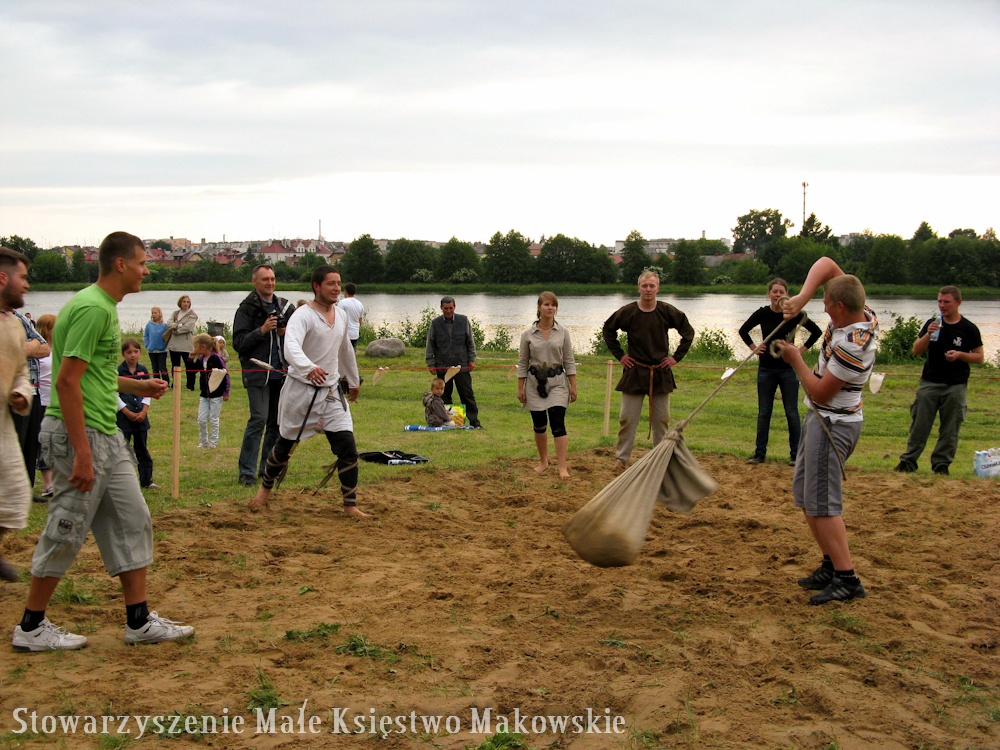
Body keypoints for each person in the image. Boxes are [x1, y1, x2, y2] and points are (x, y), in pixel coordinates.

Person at [12, 231, 194, 651]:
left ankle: (139, 621)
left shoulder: (103, 306)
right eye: (143, 263)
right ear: (120, 264)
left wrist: (137, 386)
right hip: (81, 434)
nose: (146, 271)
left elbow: (91, 375)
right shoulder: (93, 308)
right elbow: (66, 382)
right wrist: (81, 452)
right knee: (67, 525)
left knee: (133, 519)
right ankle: (31, 627)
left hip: (106, 434)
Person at [775, 257, 878, 605]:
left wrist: (796, 359)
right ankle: (831, 565)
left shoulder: (853, 345)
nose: (823, 308)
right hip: (822, 420)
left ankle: (847, 579)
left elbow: (820, 392)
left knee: (823, 503)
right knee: (808, 498)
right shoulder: (862, 312)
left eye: (826, 304)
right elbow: (827, 265)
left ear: (841, 307)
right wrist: (801, 297)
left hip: (833, 423)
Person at [248, 266, 367, 517]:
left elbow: (345, 349)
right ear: (316, 286)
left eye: (338, 283)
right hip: (301, 391)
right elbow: (291, 347)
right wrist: (308, 368)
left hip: (331, 392)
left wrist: (353, 380)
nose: (336, 288)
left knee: (347, 448)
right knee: (284, 446)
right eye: (331, 284)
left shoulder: (341, 314)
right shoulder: (302, 315)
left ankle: (350, 505)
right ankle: (265, 489)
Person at [602, 271, 694, 473]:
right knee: (627, 419)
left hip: (660, 372)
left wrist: (675, 358)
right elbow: (608, 330)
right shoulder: (628, 312)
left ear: (658, 288)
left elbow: (688, 332)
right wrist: (621, 356)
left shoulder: (667, 311)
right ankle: (621, 458)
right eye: (645, 286)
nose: (648, 289)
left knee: (662, 420)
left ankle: (659, 459)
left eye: (652, 286)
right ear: (639, 288)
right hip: (635, 371)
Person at [895, 285, 984, 475]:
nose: (942, 305)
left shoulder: (968, 328)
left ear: (958, 302)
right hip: (929, 383)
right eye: (940, 301)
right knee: (919, 425)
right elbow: (916, 350)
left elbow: (979, 357)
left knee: (950, 429)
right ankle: (908, 462)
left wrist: (959, 355)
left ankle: (941, 465)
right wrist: (928, 334)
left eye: (946, 302)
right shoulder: (933, 323)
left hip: (955, 386)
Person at [739, 278, 822, 466]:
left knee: (791, 412)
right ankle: (759, 454)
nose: (777, 295)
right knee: (764, 412)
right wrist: (754, 347)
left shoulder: (793, 314)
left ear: (786, 294)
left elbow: (816, 332)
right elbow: (743, 330)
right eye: (774, 291)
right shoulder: (762, 313)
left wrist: (799, 351)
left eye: (781, 292)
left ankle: (796, 455)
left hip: (788, 370)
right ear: (769, 293)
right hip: (766, 369)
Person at [233, 264, 295, 486]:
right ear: (254, 282)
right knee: (258, 420)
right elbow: (238, 343)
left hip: (282, 374)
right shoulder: (246, 309)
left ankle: (268, 468)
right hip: (257, 373)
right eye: (265, 279)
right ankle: (246, 471)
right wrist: (262, 330)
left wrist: (285, 332)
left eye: (272, 279)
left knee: (276, 424)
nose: (270, 283)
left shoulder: (285, 307)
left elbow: (299, 339)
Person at [0, 246, 35, 582]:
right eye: (22, 277)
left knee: (14, 495)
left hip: (3, 425)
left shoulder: (14, 325)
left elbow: (22, 372)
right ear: (2, 278)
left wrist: (21, 393)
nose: (26, 284)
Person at [517, 291, 578, 478]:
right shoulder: (527, 334)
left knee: (558, 423)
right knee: (539, 424)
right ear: (539, 307)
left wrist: (573, 386)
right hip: (534, 383)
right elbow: (522, 363)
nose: (550, 308)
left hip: (558, 382)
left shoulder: (563, 332)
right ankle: (543, 462)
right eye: (546, 304)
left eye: (553, 305)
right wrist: (520, 388)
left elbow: (569, 360)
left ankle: (562, 467)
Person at [8, 288, 50, 501]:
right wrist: (29, 347)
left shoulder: (20, 319)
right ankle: (11, 492)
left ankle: (26, 490)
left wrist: (23, 348)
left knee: (31, 441)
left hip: (33, 388)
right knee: (13, 442)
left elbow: (45, 348)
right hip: (12, 391)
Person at [425, 296, 482, 429]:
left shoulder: (463, 320)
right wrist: (431, 363)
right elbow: (430, 344)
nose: (448, 311)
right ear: (441, 308)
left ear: (454, 307)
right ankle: (446, 422)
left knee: (467, 395)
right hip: (442, 366)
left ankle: (475, 423)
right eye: (446, 308)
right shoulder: (435, 323)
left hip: (462, 365)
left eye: (451, 308)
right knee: (443, 396)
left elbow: (470, 342)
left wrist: (472, 360)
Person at [116, 338, 159, 490]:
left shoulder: (143, 370)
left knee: (142, 449)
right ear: (123, 354)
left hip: (141, 417)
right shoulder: (118, 371)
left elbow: (147, 392)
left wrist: (144, 411)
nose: (133, 355)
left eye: (135, 351)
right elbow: (114, 394)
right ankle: (122, 482)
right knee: (122, 450)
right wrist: (125, 411)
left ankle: (147, 480)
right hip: (123, 418)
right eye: (129, 352)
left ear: (140, 352)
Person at [190, 333, 230, 449]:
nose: (194, 349)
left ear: (203, 347)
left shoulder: (216, 358)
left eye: (195, 347)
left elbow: (225, 374)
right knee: (201, 419)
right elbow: (192, 371)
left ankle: (213, 443)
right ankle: (204, 442)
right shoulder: (200, 359)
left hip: (216, 395)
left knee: (213, 419)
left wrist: (226, 391)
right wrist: (190, 359)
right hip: (204, 395)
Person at [34, 314, 57, 499]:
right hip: (42, 401)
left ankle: (58, 480)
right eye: (53, 327)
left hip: (59, 402)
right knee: (44, 442)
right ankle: (47, 483)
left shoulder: (61, 348)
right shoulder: (38, 351)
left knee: (58, 441)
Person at [166, 295, 198, 391]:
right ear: (180, 303)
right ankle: (175, 384)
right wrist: (179, 325)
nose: (185, 304)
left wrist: (176, 330)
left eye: (187, 302)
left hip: (186, 345)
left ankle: (190, 386)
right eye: (184, 302)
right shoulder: (175, 313)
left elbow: (188, 328)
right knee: (175, 365)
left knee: (189, 365)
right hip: (174, 344)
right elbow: (169, 324)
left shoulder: (192, 315)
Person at [144, 307, 170, 386]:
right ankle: (157, 383)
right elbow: (145, 336)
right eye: (152, 313)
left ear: (159, 314)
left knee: (162, 368)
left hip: (162, 350)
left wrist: (165, 345)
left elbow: (167, 337)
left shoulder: (164, 325)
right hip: (152, 350)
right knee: (155, 368)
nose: (153, 314)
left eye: (155, 313)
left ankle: (166, 382)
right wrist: (148, 345)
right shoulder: (149, 325)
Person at [337, 282, 365, 350]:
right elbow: (360, 321)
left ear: (345, 291)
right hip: (355, 334)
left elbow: (337, 318)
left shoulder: (342, 302)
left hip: (345, 334)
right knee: (352, 352)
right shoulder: (360, 304)